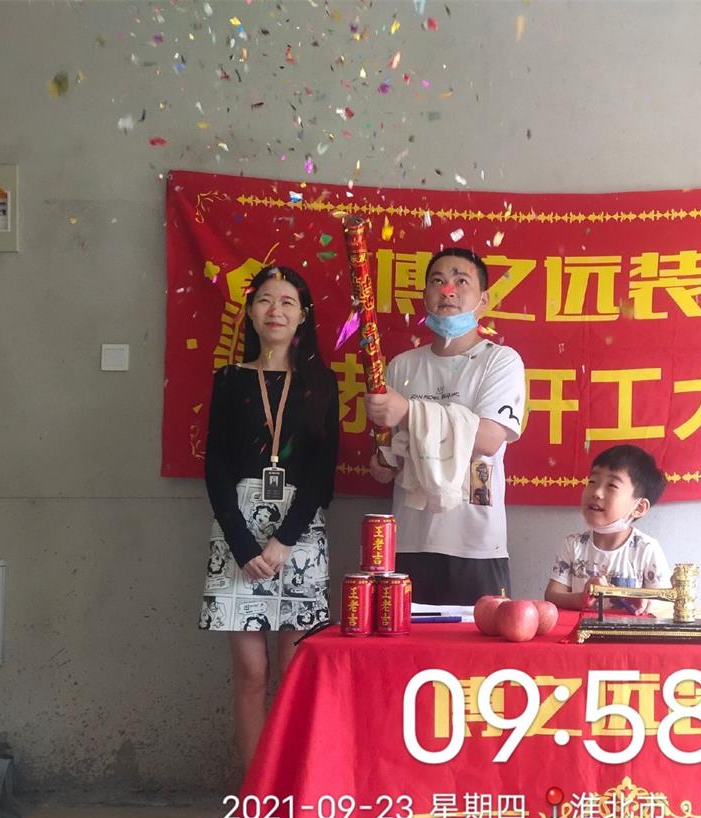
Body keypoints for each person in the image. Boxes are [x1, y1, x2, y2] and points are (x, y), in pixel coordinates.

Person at [200, 265, 340, 769]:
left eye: (286, 302)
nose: (275, 310)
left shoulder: (321, 384)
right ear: (251, 313)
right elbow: (215, 467)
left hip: (298, 537)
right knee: (251, 672)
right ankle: (256, 792)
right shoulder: (230, 380)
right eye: (264, 300)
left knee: (297, 671)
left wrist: (284, 541)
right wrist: (243, 546)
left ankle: (294, 787)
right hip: (237, 535)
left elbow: (323, 473)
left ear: (302, 316)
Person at [366, 248, 526, 605]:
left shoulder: (500, 361)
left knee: (478, 643)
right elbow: (390, 459)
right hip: (408, 540)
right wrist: (383, 463)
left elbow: (488, 438)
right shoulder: (401, 366)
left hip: (476, 543)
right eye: (437, 281)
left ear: (483, 300)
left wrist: (408, 410)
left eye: (461, 281)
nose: (448, 290)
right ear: (425, 296)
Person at [544, 444, 670, 614]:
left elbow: (666, 603)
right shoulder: (573, 544)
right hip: (580, 630)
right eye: (592, 481)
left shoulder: (647, 549)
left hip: (630, 630)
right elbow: (552, 596)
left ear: (639, 507)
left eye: (612, 485)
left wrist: (644, 599)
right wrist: (581, 598)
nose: (596, 492)